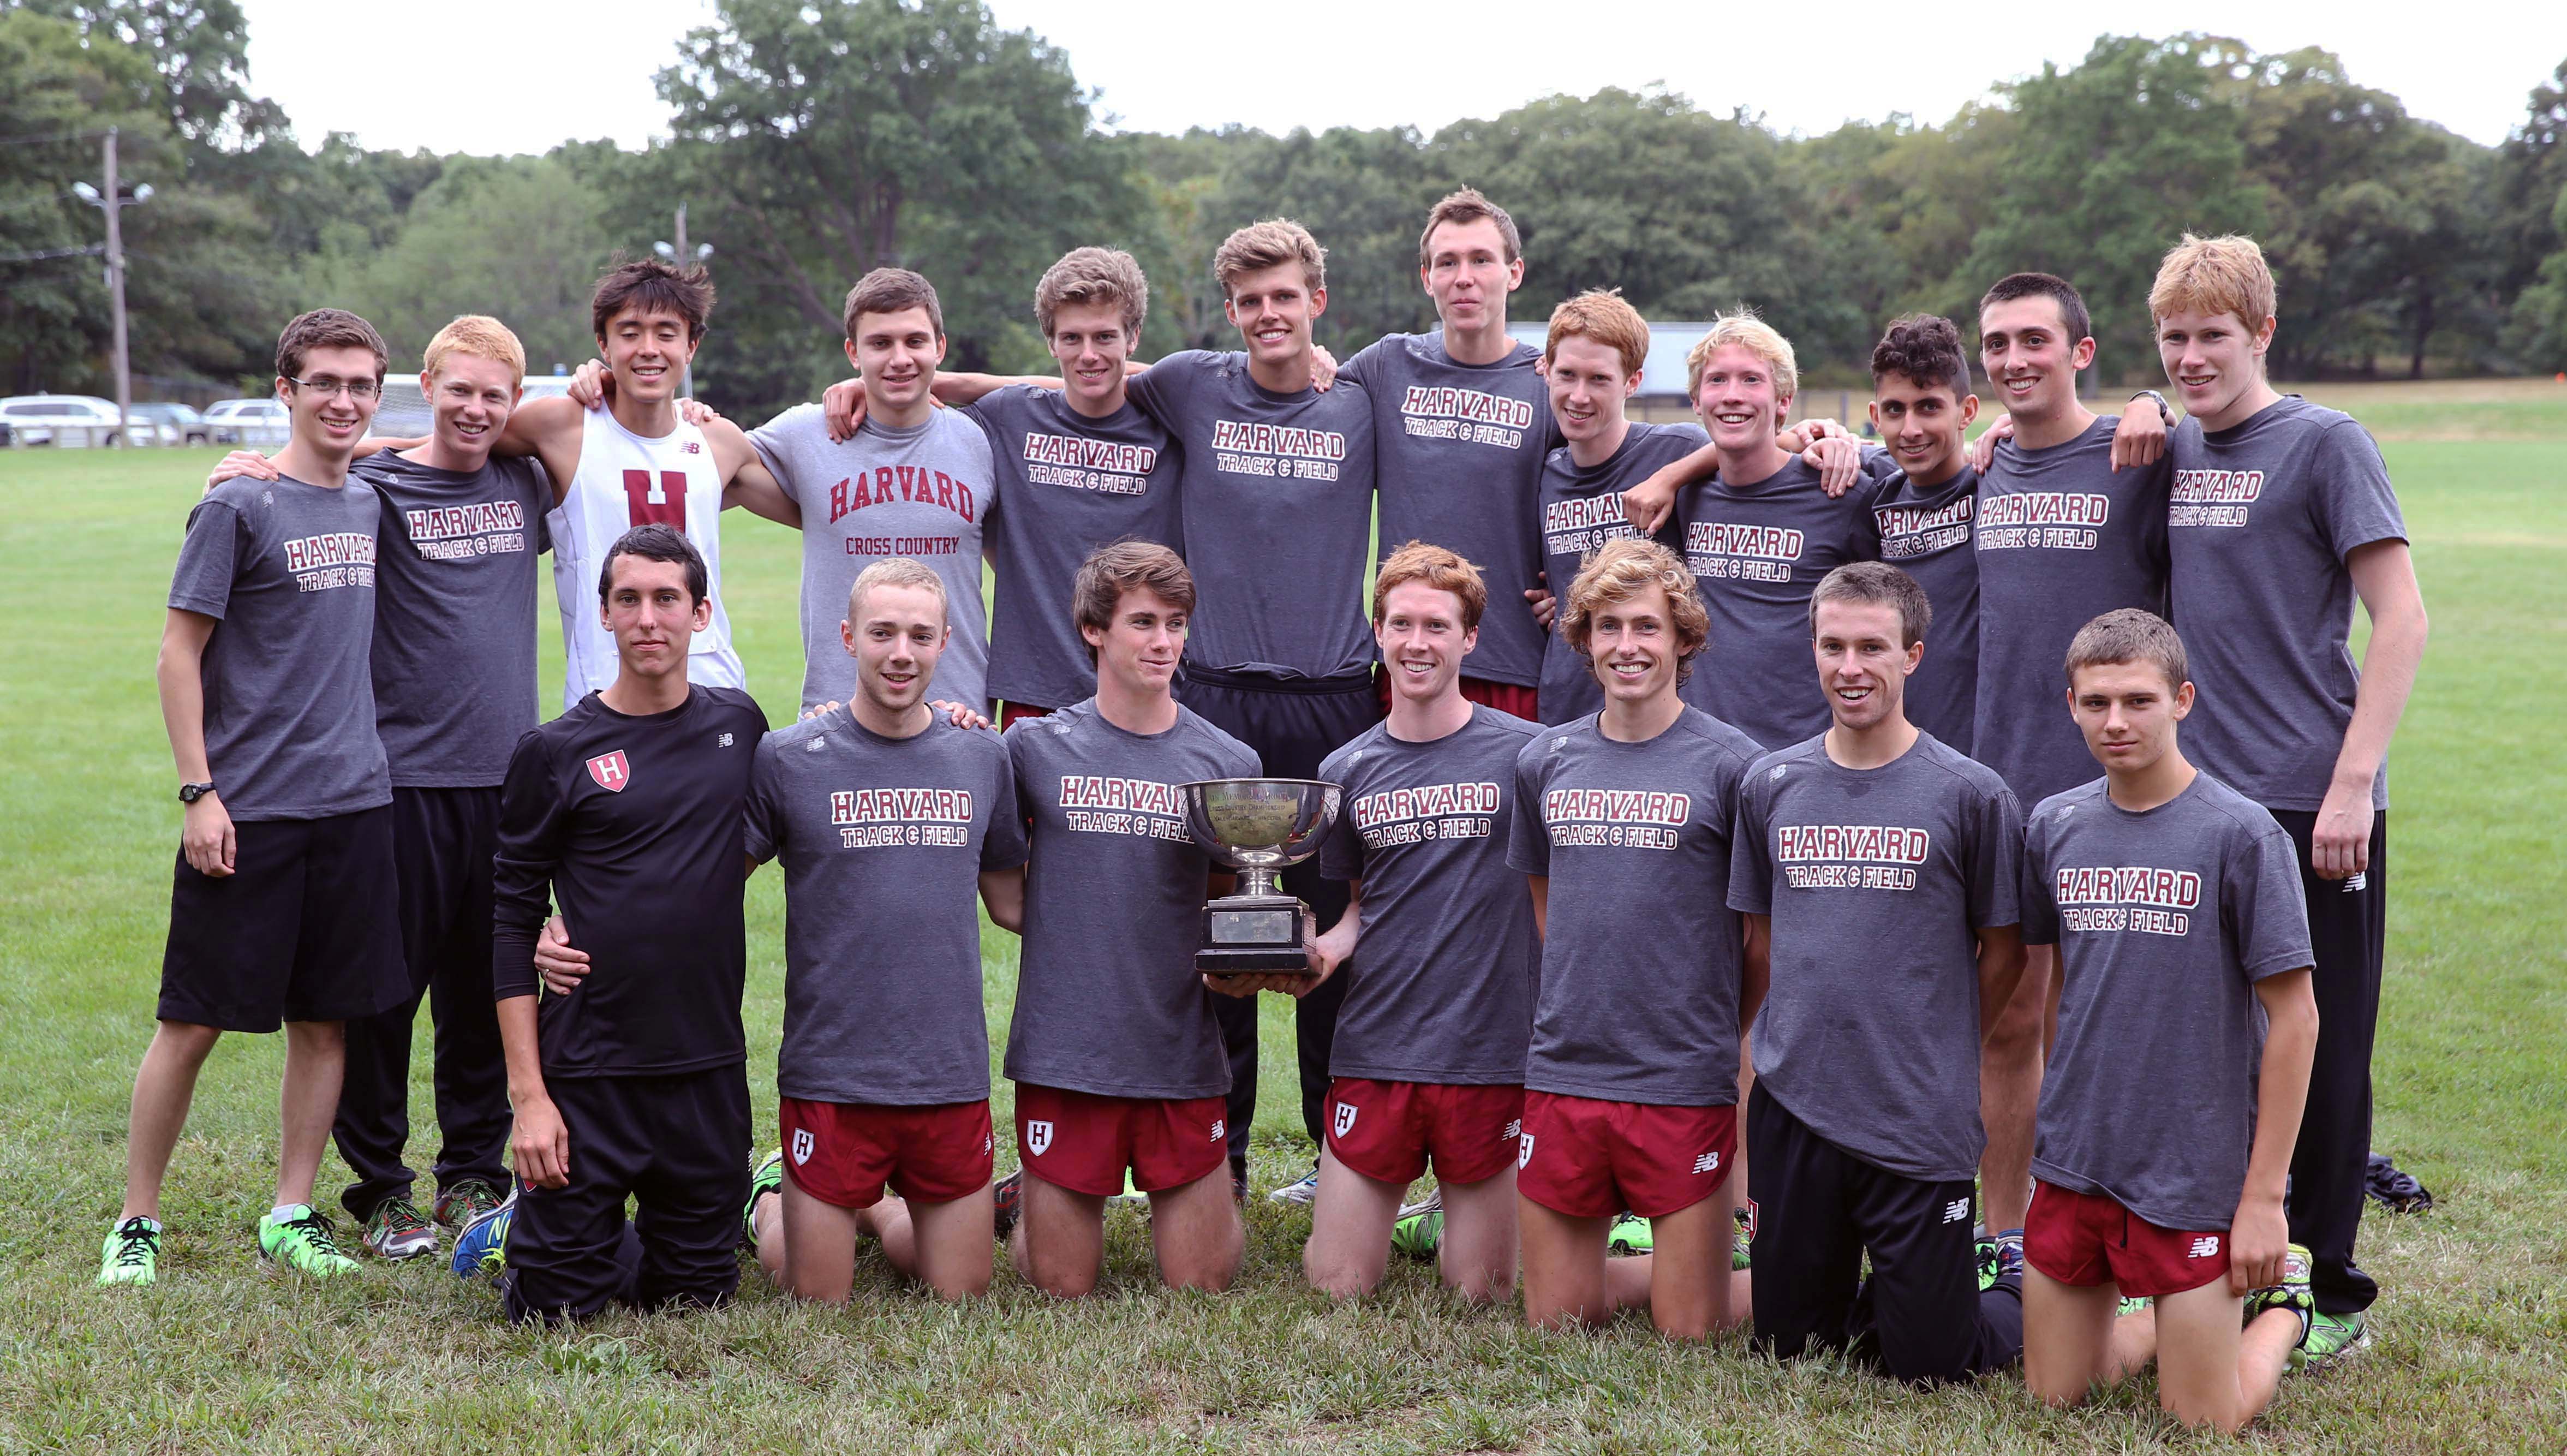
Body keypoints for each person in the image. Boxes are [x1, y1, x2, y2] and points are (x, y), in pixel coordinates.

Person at [202, 315, 550, 1257]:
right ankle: (383, 1186)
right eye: (457, 389)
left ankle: (471, 1174)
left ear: (514, 403)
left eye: (494, 395)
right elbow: (308, 479)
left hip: (506, 781)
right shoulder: (376, 485)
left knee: (484, 988)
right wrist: (247, 471)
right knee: (381, 994)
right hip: (394, 781)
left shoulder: (526, 482)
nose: (474, 408)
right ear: (424, 387)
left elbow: (570, 433)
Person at [2149, 233, 2428, 1364]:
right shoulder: (2172, 441)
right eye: (2173, 338)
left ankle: (2328, 1288)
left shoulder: (2324, 442)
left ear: (2261, 332)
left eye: (2212, 335)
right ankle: (2219, 1257)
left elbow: (2400, 616)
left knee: (2322, 1038)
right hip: (2200, 797)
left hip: (2312, 801)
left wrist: (2351, 782)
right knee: (2215, 1041)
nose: (2191, 357)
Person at [99, 309, 411, 1287]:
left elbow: (425, 438)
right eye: (324, 382)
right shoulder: (238, 506)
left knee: (326, 1021)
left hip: (355, 803)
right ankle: (136, 1220)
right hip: (249, 809)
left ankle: (291, 1211)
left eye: (361, 385)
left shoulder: (369, 500)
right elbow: (177, 654)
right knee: (192, 1020)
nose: (343, 400)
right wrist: (200, 791)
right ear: (285, 389)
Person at [2019, 608, 2321, 1432]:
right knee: (2055, 1396)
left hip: (2193, 1168)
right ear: (2072, 706)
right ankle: (2170, 1322)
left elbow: (2296, 1020)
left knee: (2202, 1422)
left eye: (2138, 701)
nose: (2115, 721)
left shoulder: (2242, 835)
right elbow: (2060, 990)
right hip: (2079, 1157)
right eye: (2096, 702)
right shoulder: (2055, 825)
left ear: (2182, 700)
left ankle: (2284, 1313)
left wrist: (2263, 1198)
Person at [1732, 561, 2027, 1385]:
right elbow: (1765, 940)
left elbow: (2005, 950)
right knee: (1793, 1353)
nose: (1850, 667)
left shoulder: (1971, 795)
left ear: (1913, 655)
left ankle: (2019, 1288)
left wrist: (1939, 1039)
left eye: (1872, 647)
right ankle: (1888, 1290)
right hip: (1796, 1108)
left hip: (1915, 1113)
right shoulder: (1771, 784)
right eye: (1833, 646)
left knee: (1932, 1366)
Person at [482, 525, 769, 1322]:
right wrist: (529, 1099)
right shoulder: (554, 751)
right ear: (603, 614)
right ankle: (524, 1230)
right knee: (553, 1311)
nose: (649, 618)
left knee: (695, 1297)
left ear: (700, 613)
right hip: (589, 1070)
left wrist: (950, 718)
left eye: (667, 599)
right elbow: (511, 922)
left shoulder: (740, 727)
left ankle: (631, 1227)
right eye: (629, 599)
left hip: (704, 1065)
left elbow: (780, 813)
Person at [736, 558, 1028, 1302]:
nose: (902, 653)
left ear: (945, 643)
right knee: (816, 1295)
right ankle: (768, 1199)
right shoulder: (789, 757)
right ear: (848, 638)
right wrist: (576, 924)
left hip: (945, 1073)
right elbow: (708, 886)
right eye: (883, 633)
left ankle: (872, 1206)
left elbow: (1013, 904)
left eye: (921, 636)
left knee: (958, 1290)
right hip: (832, 1074)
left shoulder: (981, 754)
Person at [1506, 539, 1763, 1339]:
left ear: (1683, 638)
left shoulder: (1735, 767)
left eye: (1648, 627)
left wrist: (1713, 1025)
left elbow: (1760, 941)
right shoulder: (1544, 761)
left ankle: (1793, 1272)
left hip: (1682, 1074)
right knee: (1558, 1320)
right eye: (1608, 627)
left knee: (1691, 1328)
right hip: (1568, 1067)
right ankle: (1652, 1265)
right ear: (1584, 639)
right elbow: (1550, 907)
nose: (1628, 646)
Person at [1968, 271, 2174, 1243]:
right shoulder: (1984, 465)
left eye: (2033, 341)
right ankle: (2006, 1236)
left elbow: (2242, 420)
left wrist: (2153, 398)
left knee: (2103, 1024)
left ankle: (2126, 1227)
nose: (2013, 360)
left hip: (2116, 789)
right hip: (2004, 783)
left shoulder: (2138, 452)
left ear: (2080, 352)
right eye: (1996, 343)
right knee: (2009, 1018)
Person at [1001, 541, 1259, 1297]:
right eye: (1143, 622)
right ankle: (1018, 1198)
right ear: (1094, 629)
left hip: (1177, 1051)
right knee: (1061, 1285)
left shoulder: (1227, 762)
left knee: (1203, 1281)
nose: (1163, 642)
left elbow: (1226, 899)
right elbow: (1007, 897)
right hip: (1066, 1053)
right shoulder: (1033, 749)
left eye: (1176, 624)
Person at [1285, 544, 1541, 1300]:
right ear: (1378, 632)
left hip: (1490, 1055)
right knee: (1336, 1285)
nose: (1416, 643)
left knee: (1481, 1292)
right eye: (1401, 624)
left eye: (1437, 626)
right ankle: (1415, 1216)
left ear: (1470, 638)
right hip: (1380, 1047)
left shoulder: (1528, 758)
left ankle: (1441, 1223)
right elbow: (1364, 903)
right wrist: (1320, 950)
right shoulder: (1346, 769)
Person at [467, 258, 799, 708]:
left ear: (692, 346)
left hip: (711, 692)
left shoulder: (717, 440)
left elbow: (824, 510)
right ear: (603, 345)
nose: (648, 349)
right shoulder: (563, 426)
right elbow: (451, 445)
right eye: (629, 333)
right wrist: (367, 449)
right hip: (603, 693)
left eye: (666, 334)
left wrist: (869, 393)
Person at [1334, 189, 1551, 719]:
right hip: (1409, 662)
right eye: (1448, 262)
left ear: (1514, 273)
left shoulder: (1549, 380)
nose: (1464, 278)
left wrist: (1572, 584)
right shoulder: (1387, 364)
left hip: (1513, 665)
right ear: (1427, 277)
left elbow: (1616, 472)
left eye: (1482, 260)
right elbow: (1284, 396)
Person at [741, 268, 998, 714]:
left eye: (915, 342)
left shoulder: (982, 440)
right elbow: (702, 461)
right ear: (853, 352)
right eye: (880, 344)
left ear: (940, 347)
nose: (899, 358)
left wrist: (952, 383)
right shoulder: (806, 434)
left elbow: (1094, 389)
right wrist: (680, 407)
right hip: (835, 716)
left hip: (958, 717)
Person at [968, 248, 1184, 726]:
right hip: (1036, 695)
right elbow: (912, 407)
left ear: (1133, 337)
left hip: (1148, 690)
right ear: (1051, 342)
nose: (1088, 354)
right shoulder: (1010, 417)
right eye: (1072, 338)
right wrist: (863, 387)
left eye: (1105, 336)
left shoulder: (1173, 423)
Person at [1672, 312, 1888, 750]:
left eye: (1751, 380)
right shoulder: (1685, 497)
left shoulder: (1840, 491)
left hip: (1807, 751)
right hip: (1706, 752)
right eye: (1717, 380)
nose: (1732, 395)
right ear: (1696, 400)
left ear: (1784, 402)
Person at [1530, 291, 1702, 725]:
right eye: (1567, 375)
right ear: (1546, 371)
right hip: (1567, 705)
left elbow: (1758, 447)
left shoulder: (1678, 451)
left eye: (1599, 379)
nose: (1579, 396)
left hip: (1657, 709)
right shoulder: (1544, 472)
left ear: (1632, 381)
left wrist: (1671, 477)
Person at [1862, 315, 1983, 754]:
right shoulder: (1875, 496)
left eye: (1929, 407)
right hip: (1898, 747)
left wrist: (2149, 401)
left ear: (1967, 412)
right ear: (1876, 417)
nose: (1911, 429)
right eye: (1895, 410)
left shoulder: (1995, 485)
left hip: (1980, 744)